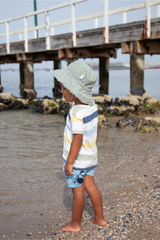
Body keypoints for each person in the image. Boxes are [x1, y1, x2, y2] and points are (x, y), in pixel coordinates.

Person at [50, 60, 107, 232]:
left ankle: (75, 224)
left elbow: (77, 139)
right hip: (90, 156)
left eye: (64, 88)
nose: (61, 91)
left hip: (78, 161)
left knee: (78, 190)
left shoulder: (76, 112)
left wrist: (69, 162)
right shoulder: (92, 106)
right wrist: (93, 144)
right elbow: (96, 127)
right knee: (90, 185)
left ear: (74, 91)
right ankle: (100, 218)